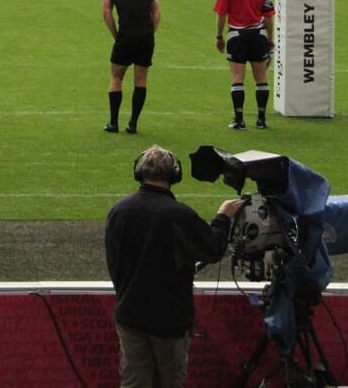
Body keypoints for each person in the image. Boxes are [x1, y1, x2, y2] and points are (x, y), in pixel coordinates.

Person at [105, 145, 244, 388]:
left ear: (140, 173)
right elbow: (212, 249)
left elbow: (114, 264)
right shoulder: (179, 215)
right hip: (169, 321)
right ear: (174, 175)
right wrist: (222, 217)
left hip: (130, 315)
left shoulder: (119, 211)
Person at [214, 0, 275, 130]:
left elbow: (221, 14)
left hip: (237, 36)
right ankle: (261, 119)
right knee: (261, 77)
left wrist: (219, 36)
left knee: (237, 77)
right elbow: (269, 17)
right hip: (258, 36)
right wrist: (270, 40)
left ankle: (239, 119)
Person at [102, 0, 160, 135]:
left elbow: (106, 12)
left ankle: (113, 122)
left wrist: (116, 34)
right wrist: (150, 33)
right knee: (141, 80)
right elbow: (157, 12)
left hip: (126, 35)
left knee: (116, 77)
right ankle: (133, 123)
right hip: (145, 36)